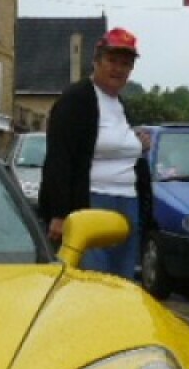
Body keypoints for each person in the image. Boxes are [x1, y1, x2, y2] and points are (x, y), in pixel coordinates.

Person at [38, 27, 152, 280]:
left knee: (122, 281)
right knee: (92, 279)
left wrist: (138, 144)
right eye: (112, 61)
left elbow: (114, 143)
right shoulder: (76, 99)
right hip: (91, 202)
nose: (118, 69)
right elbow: (59, 158)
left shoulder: (120, 104)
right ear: (96, 61)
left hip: (127, 203)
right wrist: (58, 214)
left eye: (125, 64)